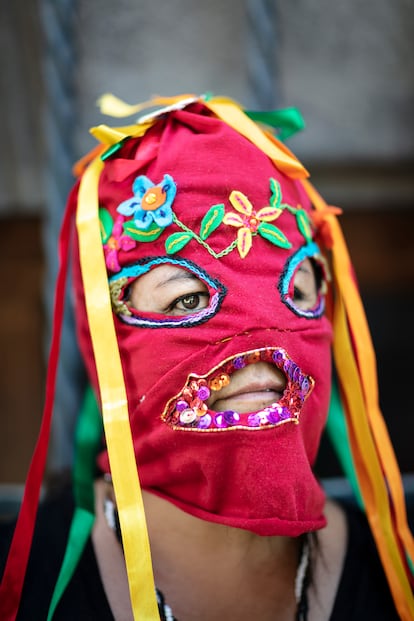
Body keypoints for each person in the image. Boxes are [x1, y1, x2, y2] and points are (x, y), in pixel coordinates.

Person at [0, 93, 413, 621]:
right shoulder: (32, 580)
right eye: (186, 300)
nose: (263, 340)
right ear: (108, 343)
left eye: (298, 291)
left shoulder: (394, 564)